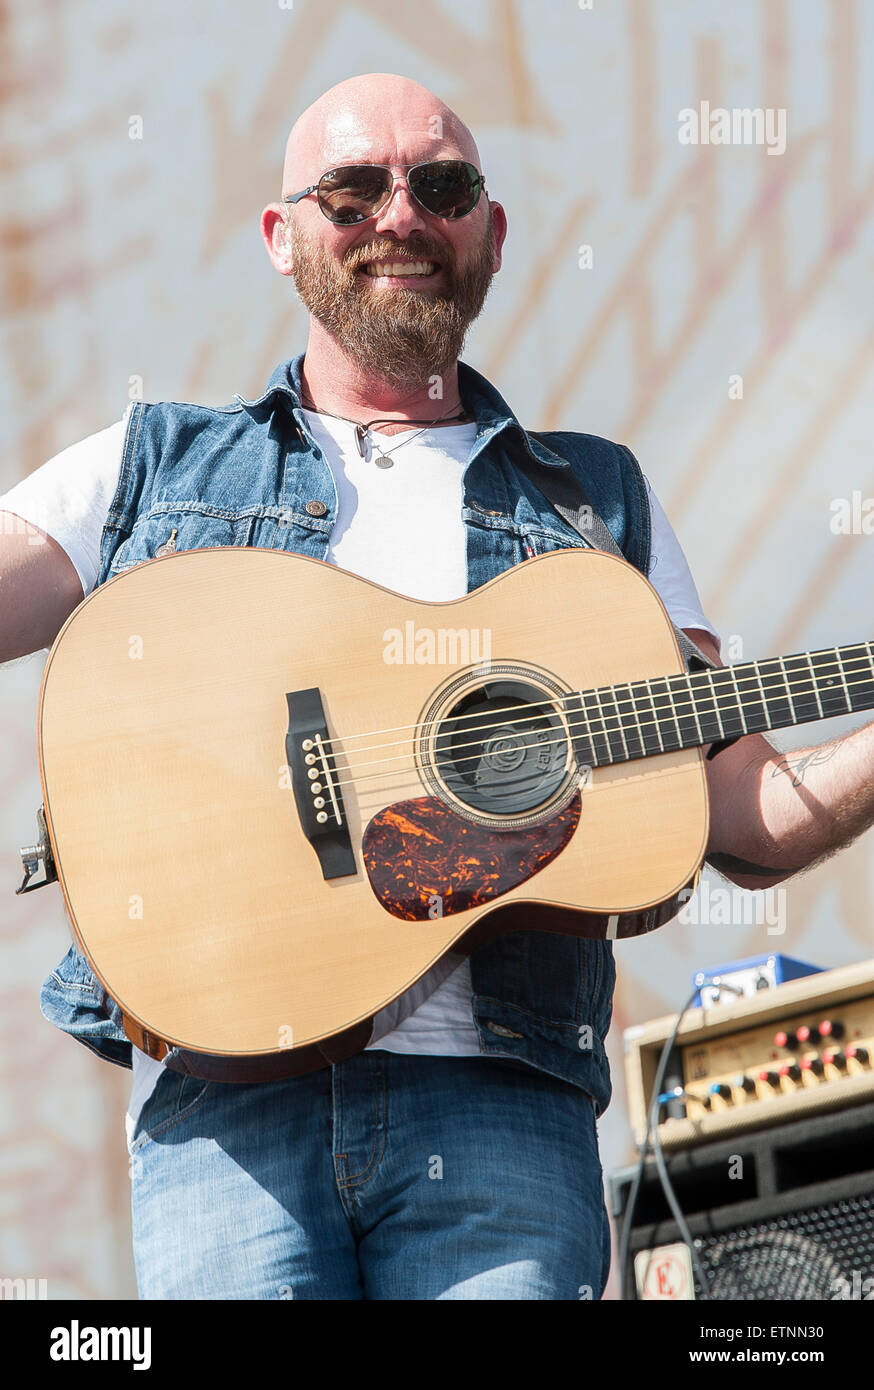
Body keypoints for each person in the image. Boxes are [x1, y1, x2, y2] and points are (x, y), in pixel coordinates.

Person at [2, 73, 873, 1301]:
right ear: (281, 235)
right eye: (352, 189)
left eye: (442, 185)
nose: (398, 215)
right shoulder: (160, 462)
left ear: (491, 233)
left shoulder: (594, 500)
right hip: (225, 1101)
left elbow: (742, 814)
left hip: (504, 1116)